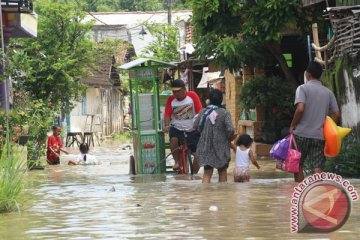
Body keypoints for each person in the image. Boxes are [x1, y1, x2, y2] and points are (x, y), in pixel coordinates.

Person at [289, 61, 340, 182]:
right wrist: (327, 128)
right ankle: (317, 193)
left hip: (301, 133)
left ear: (308, 74)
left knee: (298, 165)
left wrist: (292, 125)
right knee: (317, 167)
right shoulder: (328, 92)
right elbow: (336, 114)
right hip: (319, 135)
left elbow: (300, 108)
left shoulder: (302, 88)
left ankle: (301, 194)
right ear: (320, 75)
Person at [194, 89, 235, 183]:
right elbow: (230, 130)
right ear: (221, 99)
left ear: (210, 99)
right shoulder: (224, 113)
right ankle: (221, 197)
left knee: (207, 173)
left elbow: (195, 126)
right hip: (221, 147)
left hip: (205, 146)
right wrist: (227, 138)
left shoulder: (203, 111)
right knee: (222, 171)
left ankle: (206, 196)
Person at [164, 79, 203, 172]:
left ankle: (194, 174)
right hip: (176, 128)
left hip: (192, 129)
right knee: (173, 139)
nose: (176, 94)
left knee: (198, 155)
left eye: (178, 91)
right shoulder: (171, 99)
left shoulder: (192, 95)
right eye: (174, 92)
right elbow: (167, 114)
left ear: (184, 89)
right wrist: (166, 125)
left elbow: (200, 111)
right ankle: (177, 162)